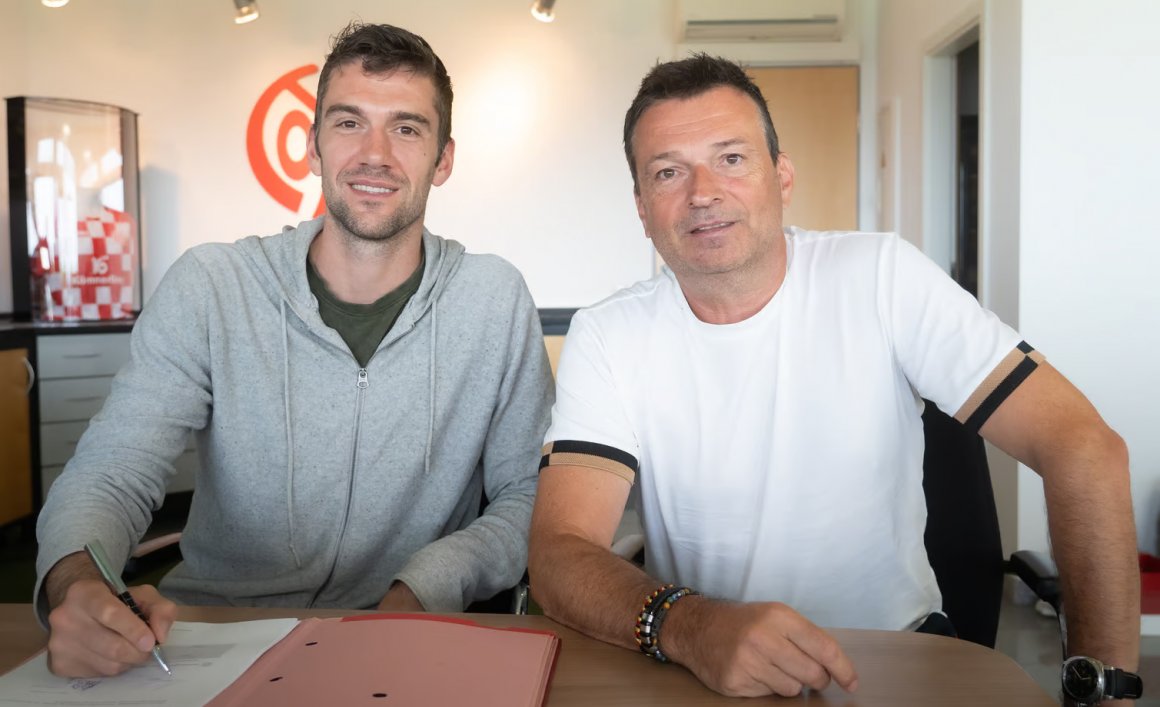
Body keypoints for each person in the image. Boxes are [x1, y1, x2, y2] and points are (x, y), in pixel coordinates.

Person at [528, 53, 1139, 699]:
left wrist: (1105, 690)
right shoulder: (608, 333)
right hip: (704, 666)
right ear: (642, 206)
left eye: (731, 158)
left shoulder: (881, 275)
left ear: (781, 175)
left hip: (893, 657)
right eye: (668, 171)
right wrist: (690, 624)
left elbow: (1084, 448)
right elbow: (560, 550)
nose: (702, 191)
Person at [36, 22, 553, 678]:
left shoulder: (494, 299)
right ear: (310, 147)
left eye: (406, 127)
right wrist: (77, 581)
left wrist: (424, 584)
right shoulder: (214, 286)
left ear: (443, 158)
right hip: (217, 632)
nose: (375, 154)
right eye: (348, 123)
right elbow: (113, 470)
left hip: (411, 633)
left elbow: (523, 496)